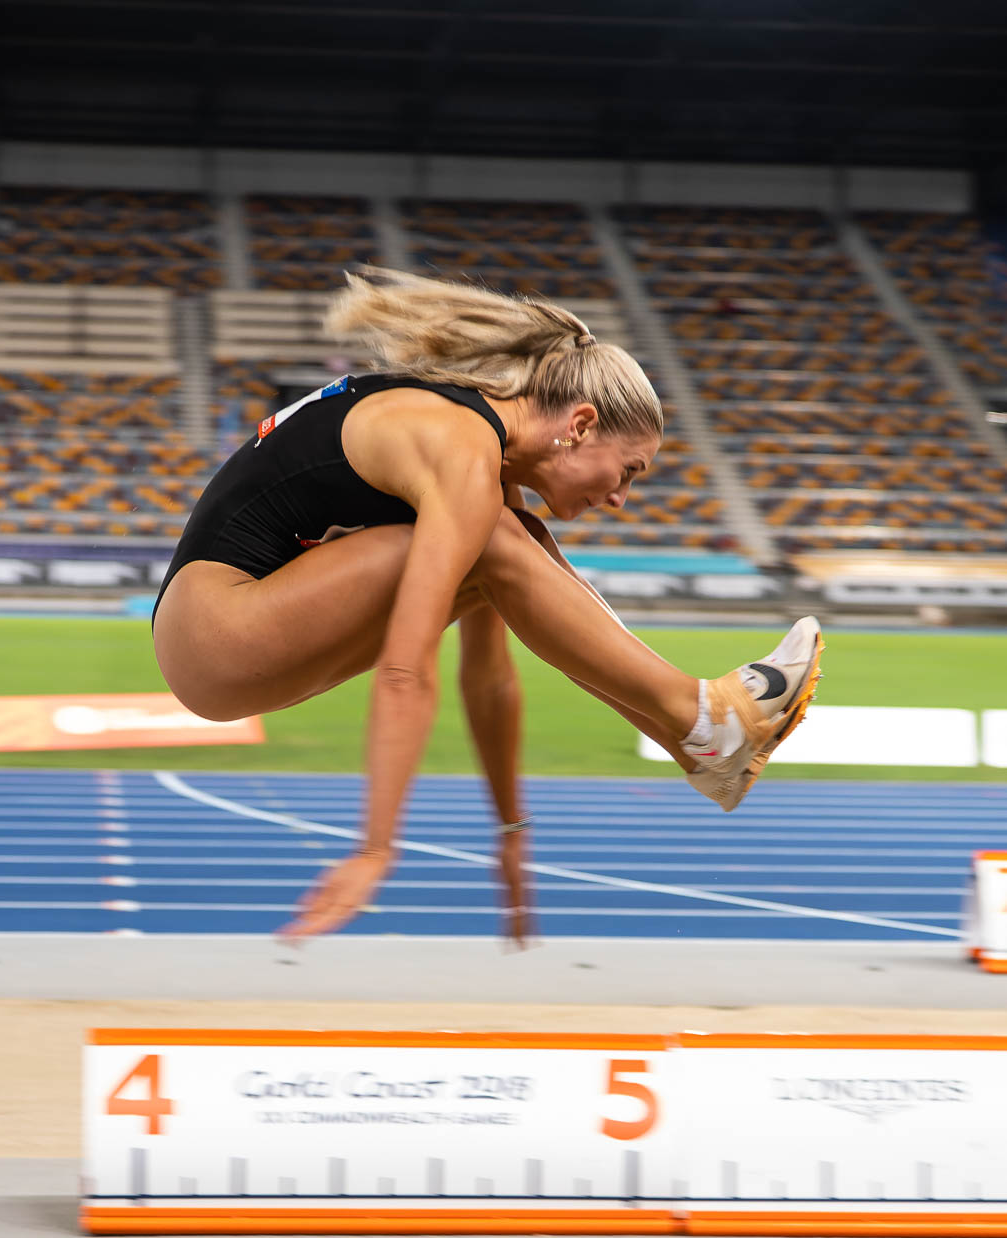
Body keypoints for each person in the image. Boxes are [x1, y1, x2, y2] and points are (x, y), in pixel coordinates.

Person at [152, 267, 822, 944]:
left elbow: (490, 677)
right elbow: (405, 670)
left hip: (239, 637)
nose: (621, 498)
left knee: (519, 538)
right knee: (507, 541)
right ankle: (703, 722)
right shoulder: (460, 449)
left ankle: (697, 741)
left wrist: (510, 831)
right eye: (628, 471)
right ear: (580, 425)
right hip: (217, 629)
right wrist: (376, 849)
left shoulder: (484, 472)